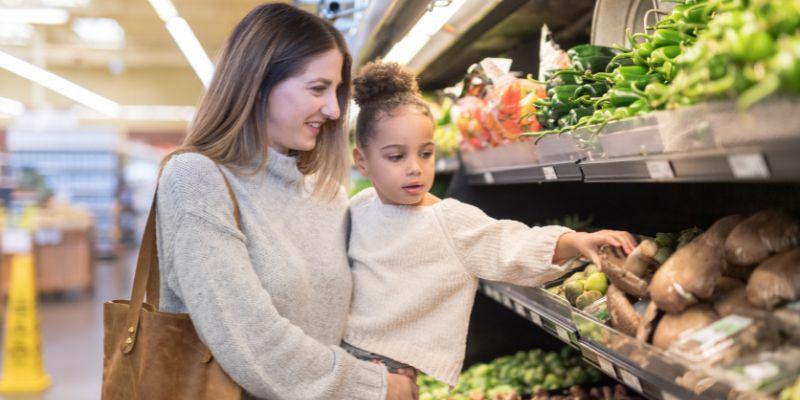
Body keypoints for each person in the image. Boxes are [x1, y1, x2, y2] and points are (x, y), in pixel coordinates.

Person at [156, 4, 417, 400]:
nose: (333, 110)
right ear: (258, 83)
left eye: (336, 91)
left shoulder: (326, 193)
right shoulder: (196, 179)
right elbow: (251, 340)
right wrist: (372, 387)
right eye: (318, 89)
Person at [344, 60, 637, 387]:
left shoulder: (447, 220)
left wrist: (576, 242)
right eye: (396, 157)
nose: (415, 168)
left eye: (425, 154)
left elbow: (508, 244)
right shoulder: (358, 207)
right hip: (345, 361)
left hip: (393, 374)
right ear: (362, 161)